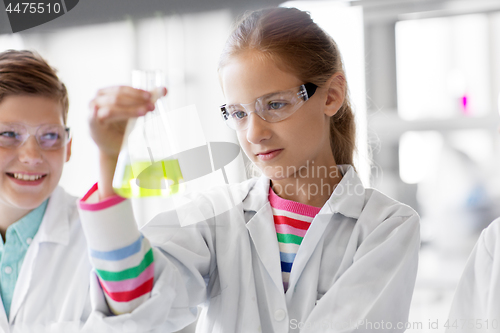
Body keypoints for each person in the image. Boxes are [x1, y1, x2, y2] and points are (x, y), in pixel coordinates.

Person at [85, 7, 420, 332]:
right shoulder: (214, 218)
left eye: (275, 105)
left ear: (331, 96)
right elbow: (137, 308)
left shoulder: (387, 228)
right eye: (238, 113)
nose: (254, 133)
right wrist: (108, 159)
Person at [0, 50, 160, 333]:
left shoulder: (101, 237)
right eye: (9, 134)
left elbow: (140, 312)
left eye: (50, 135)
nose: (32, 156)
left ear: (68, 147)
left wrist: (108, 155)